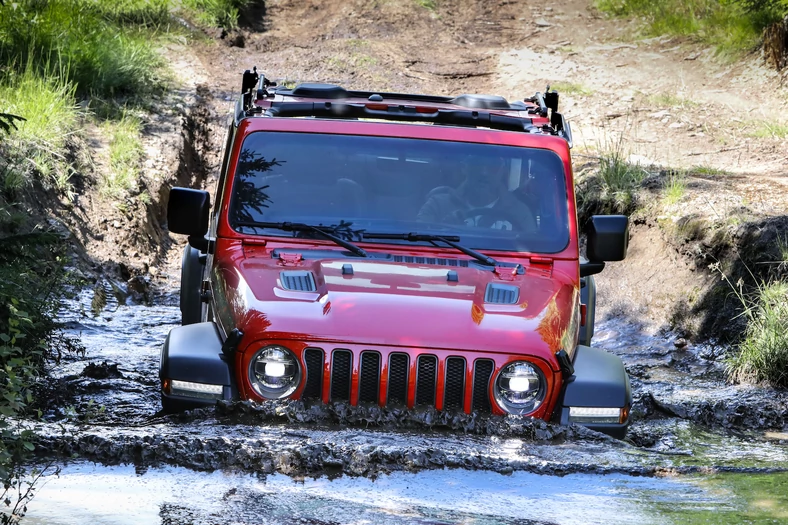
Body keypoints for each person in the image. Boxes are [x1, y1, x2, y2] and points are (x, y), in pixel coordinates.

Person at [416, 156, 536, 232]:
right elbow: (418, 242)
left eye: (493, 165)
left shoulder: (519, 212)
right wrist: (444, 227)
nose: (484, 172)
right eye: (477, 164)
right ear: (464, 168)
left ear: (502, 171)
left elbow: (531, 251)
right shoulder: (438, 204)